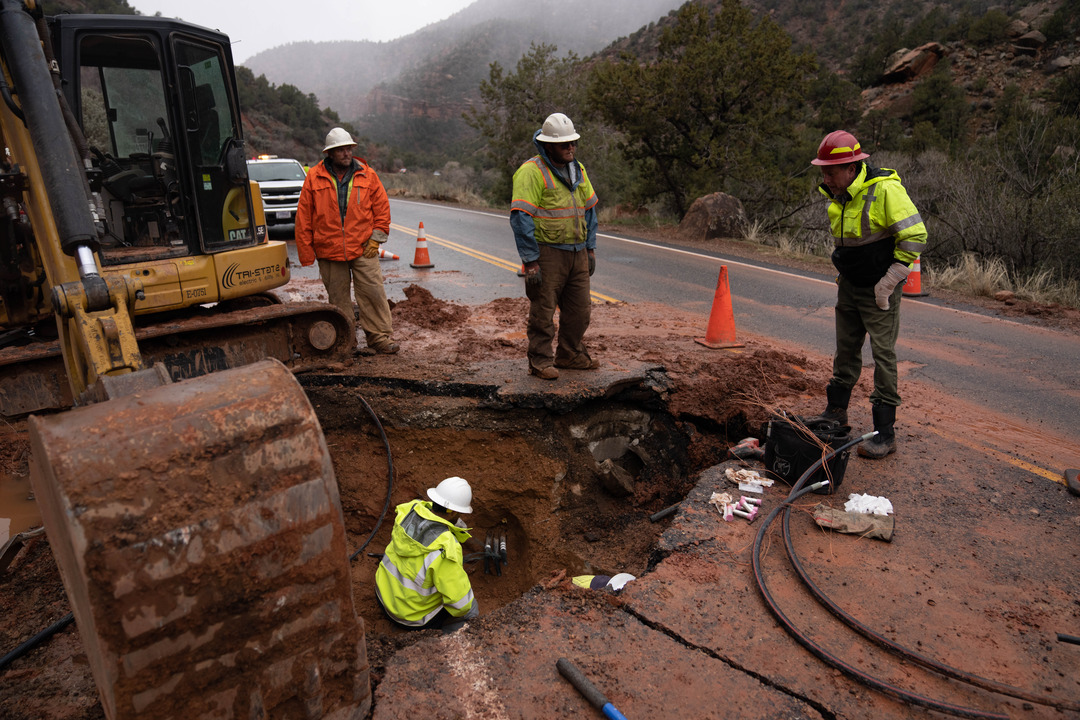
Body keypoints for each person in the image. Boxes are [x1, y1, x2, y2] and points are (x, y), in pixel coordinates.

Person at [811, 130, 927, 459]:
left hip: (880, 289)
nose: (826, 178)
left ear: (851, 167)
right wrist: (844, 272)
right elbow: (850, 242)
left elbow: (916, 234)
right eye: (823, 172)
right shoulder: (839, 195)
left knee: (883, 357)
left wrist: (891, 280)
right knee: (845, 352)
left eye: (831, 172)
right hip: (850, 286)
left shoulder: (885, 190)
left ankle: (884, 434)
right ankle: (836, 413)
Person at [510, 112, 599, 380]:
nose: (570, 148)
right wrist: (531, 261)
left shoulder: (578, 169)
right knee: (543, 312)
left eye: (573, 143)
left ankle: (570, 354)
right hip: (547, 254)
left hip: (578, 252)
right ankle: (539, 361)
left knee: (580, 310)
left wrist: (590, 248)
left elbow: (590, 210)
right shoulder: (531, 171)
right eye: (564, 144)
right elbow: (520, 218)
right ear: (548, 145)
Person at [295, 127, 398, 354]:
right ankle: (347, 341)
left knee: (373, 293)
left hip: (363, 248)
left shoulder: (367, 175)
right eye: (340, 150)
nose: (346, 153)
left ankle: (379, 338)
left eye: (348, 148)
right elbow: (304, 216)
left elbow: (382, 209)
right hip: (329, 250)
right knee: (339, 300)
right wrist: (306, 253)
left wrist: (376, 239)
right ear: (329, 153)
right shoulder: (314, 177)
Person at [375, 476, 479, 631]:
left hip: (382, 595)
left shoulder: (409, 510)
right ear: (453, 512)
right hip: (409, 617)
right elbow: (460, 605)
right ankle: (452, 643)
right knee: (470, 609)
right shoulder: (445, 549)